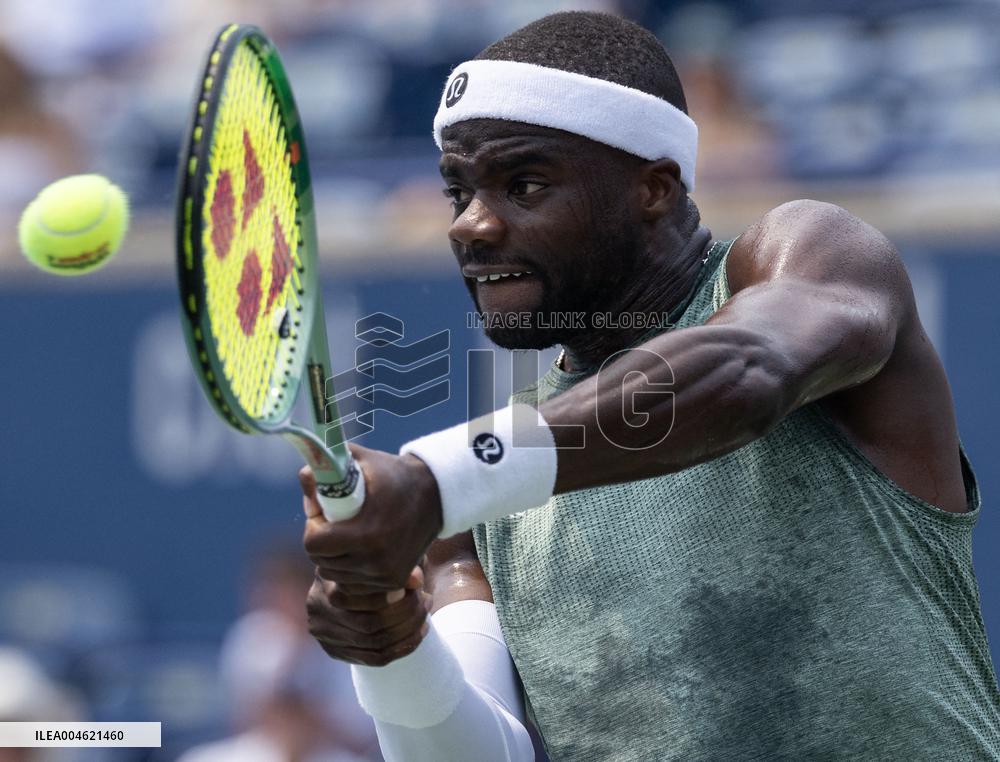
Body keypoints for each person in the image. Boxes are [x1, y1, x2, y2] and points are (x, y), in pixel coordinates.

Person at [302, 11, 1000, 761]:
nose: (470, 226)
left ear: (655, 189)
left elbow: (745, 370)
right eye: (457, 192)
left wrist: (439, 480)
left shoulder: (811, 253)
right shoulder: (479, 500)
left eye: (523, 184)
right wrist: (394, 652)